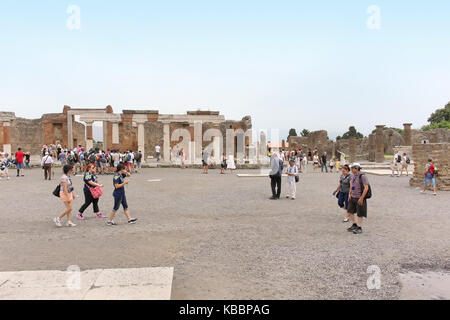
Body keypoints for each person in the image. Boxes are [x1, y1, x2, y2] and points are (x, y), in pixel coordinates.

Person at [347, 163, 370, 234]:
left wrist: (362, 198)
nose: (351, 169)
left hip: (359, 197)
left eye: (352, 168)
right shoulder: (352, 176)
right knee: (350, 210)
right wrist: (349, 194)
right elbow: (351, 185)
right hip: (353, 196)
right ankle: (354, 224)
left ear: (356, 168)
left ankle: (360, 227)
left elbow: (366, 188)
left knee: (360, 213)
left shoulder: (363, 176)